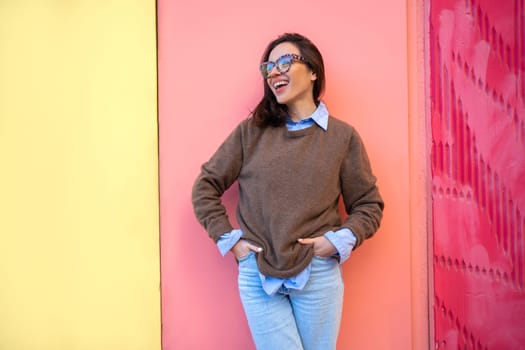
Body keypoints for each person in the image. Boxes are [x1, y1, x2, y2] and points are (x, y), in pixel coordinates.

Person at [192, 32, 384, 350]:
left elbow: (368, 205)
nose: (274, 72)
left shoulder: (342, 137)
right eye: (269, 66)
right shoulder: (250, 133)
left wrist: (336, 242)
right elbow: (205, 187)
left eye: (285, 61)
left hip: (318, 273)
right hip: (258, 273)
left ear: (312, 72)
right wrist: (232, 241)